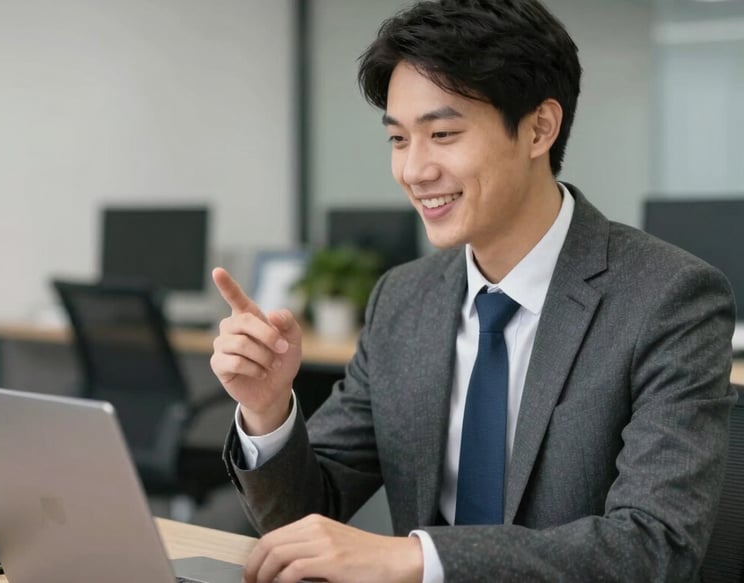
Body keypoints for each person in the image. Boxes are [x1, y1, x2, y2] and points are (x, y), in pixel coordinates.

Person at [210, 0, 736, 581]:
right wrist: (267, 410)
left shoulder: (668, 299)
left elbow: (655, 547)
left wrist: (417, 558)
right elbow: (308, 517)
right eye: (398, 139)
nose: (414, 170)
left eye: (442, 134)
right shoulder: (403, 299)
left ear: (539, 128)